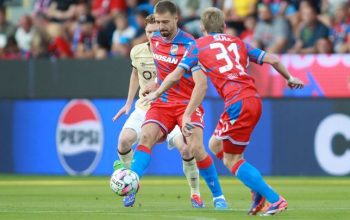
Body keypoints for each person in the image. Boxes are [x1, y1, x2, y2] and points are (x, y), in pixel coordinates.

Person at [195, 7, 304, 216]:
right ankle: (258, 192)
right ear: (224, 26)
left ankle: (274, 199)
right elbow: (272, 59)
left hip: (237, 103)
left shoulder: (198, 46)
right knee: (215, 144)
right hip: (253, 99)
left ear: (202, 28)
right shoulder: (238, 42)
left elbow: (182, 70)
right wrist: (289, 78)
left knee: (232, 160)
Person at [131, 0, 228, 209]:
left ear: (176, 19)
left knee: (195, 148)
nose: (161, 27)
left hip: (187, 104)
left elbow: (200, 84)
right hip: (163, 103)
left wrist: (187, 112)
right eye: (158, 22)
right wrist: (154, 84)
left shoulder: (191, 44)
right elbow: (164, 74)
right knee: (145, 136)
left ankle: (218, 196)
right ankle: (132, 185)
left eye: (165, 22)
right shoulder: (155, 40)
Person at [112, 14, 203, 208]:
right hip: (146, 107)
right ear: (145, 32)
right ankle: (131, 184)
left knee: (186, 149)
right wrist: (128, 103)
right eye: (149, 32)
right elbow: (135, 73)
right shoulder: (137, 51)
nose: (153, 35)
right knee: (123, 141)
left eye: (156, 31)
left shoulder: (175, 50)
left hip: (172, 105)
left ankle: (195, 193)